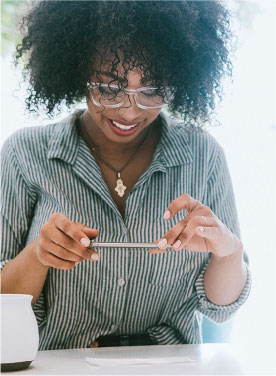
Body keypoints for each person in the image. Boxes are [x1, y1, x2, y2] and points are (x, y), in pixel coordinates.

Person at [1, 1, 251, 350]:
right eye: (109, 87)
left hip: (172, 368)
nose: (129, 110)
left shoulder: (203, 154)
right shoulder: (24, 153)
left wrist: (227, 252)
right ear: (76, 68)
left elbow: (222, 309)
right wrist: (38, 255)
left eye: (151, 90)